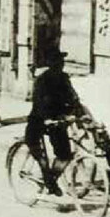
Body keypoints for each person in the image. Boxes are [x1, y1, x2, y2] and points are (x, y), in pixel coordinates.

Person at [24, 50, 84, 195]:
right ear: (51, 64)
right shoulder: (42, 80)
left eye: (62, 62)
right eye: (57, 62)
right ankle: (45, 173)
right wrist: (47, 118)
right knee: (36, 148)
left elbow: (73, 97)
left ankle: (50, 179)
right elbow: (38, 102)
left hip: (57, 121)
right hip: (39, 119)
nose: (61, 65)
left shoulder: (64, 78)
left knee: (65, 155)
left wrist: (79, 113)